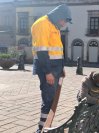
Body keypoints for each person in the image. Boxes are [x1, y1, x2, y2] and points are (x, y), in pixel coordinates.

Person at [31, 4, 72, 133]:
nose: (65, 24)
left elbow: (57, 50)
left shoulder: (54, 25)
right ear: (59, 17)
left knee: (52, 98)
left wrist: (61, 68)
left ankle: (46, 126)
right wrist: (48, 72)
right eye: (65, 20)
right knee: (48, 99)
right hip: (47, 69)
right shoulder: (42, 24)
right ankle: (41, 129)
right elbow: (42, 51)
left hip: (55, 68)